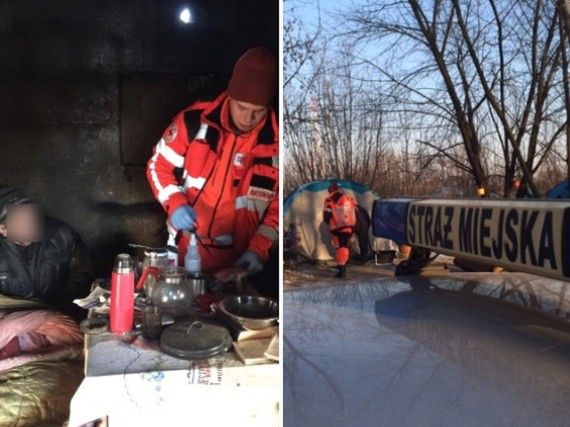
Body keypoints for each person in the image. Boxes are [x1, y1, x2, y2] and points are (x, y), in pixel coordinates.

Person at [147, 47, 278, 295]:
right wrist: (174, 202)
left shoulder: (277, 145)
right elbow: (157, 165)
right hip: (184, 251)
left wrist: (258, 250)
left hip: (237, 265)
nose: (248, 118)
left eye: (257, 111)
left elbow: (277, 212)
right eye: (242, 106)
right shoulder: (194, 121)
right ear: (230, 94)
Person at [0, 186, 95, 320]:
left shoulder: (62, 234)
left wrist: (65, 302)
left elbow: (82, 270)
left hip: (63, 314)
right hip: (15, 319)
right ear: (2, 229)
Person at [322, 182, 358, 278]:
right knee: (344, 247)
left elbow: (327, 216)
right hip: (349, 228)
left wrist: (330, 224)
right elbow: (355, 211)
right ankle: (342, 265)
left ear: (331, 190)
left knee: (340, 249)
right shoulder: (348, 199)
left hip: (337, 229)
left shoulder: (330, 200)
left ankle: (342, 270)